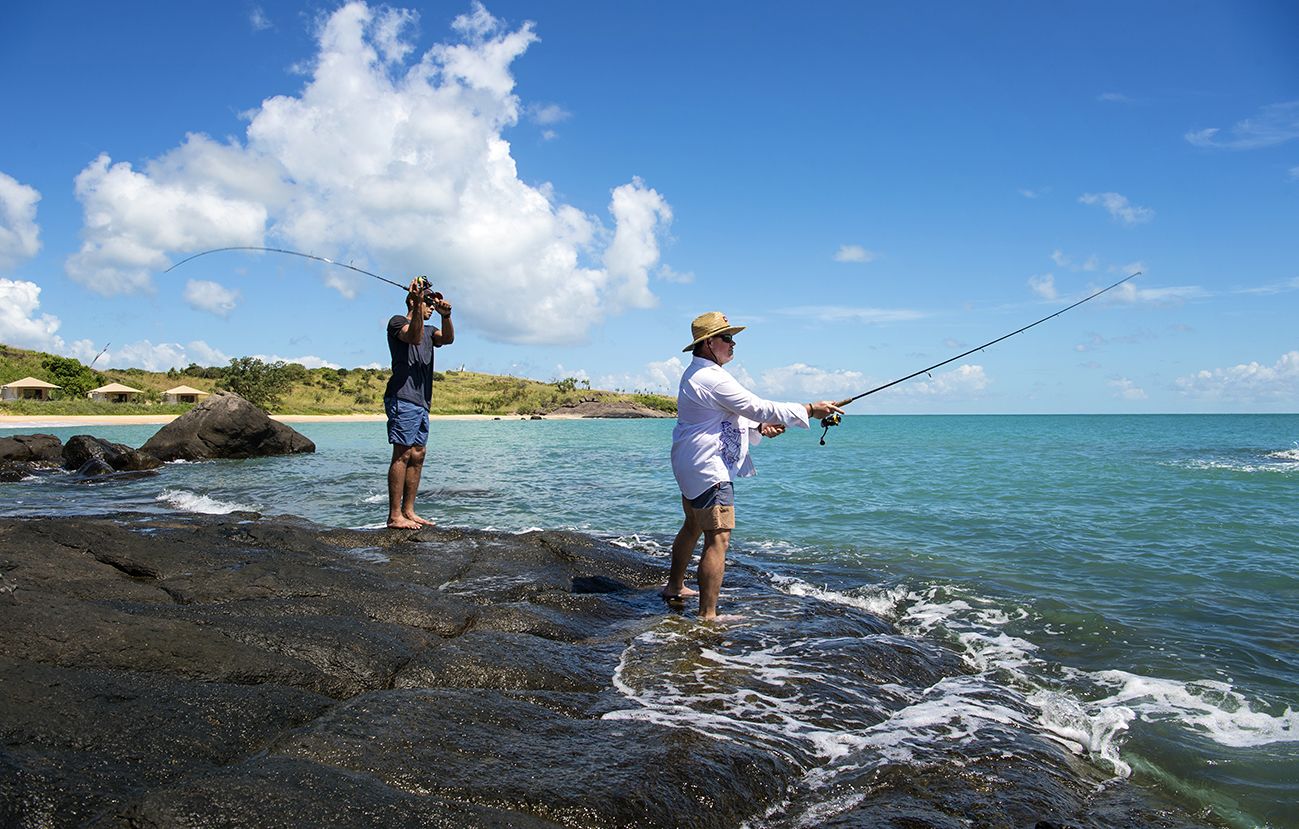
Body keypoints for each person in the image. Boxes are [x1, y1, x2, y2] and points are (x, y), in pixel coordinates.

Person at [664, 311, 843, 620]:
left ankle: (675, 586)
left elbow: (724, 417)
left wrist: (758, 429)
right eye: (727, 338)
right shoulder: (711, 377)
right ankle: (708, 617)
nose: (733, 344)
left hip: (689, 462)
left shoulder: (697, 374)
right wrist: (810, 409)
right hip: (709, 469)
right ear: (708, 343)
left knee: (692, 525)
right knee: (717, 538)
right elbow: (757, 406)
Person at [384, 278, 454, 529]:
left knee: (418, 454)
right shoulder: (397, 322)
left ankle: (409, 511)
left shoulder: (429, 330)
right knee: (402, 454)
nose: (431, 307)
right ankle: (394, 516)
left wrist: (446, 316)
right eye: (428, 302)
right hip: (403, 396)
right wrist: (415, 306)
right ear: (414, 301)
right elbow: (412, 338)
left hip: (422, 401)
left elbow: (447, 339)